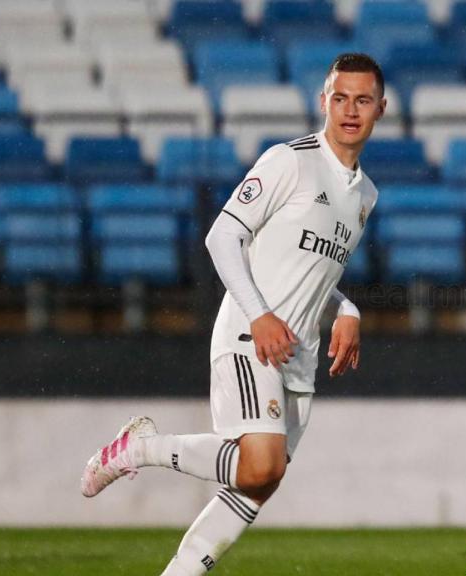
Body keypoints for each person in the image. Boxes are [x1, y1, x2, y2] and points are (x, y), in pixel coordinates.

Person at [80, 52, 387, 575]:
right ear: (324, 102)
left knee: (256, 485)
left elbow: (312, 272)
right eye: (340, 98)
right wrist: (259, 314)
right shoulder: (289, 160)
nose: (350, 110)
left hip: (297, 356)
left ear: (381, 108)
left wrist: (348, 308)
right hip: (251, 336)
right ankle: (140, 449)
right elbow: (223, 235)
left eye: (362, 100)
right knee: (259, 464)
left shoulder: (365, 196)